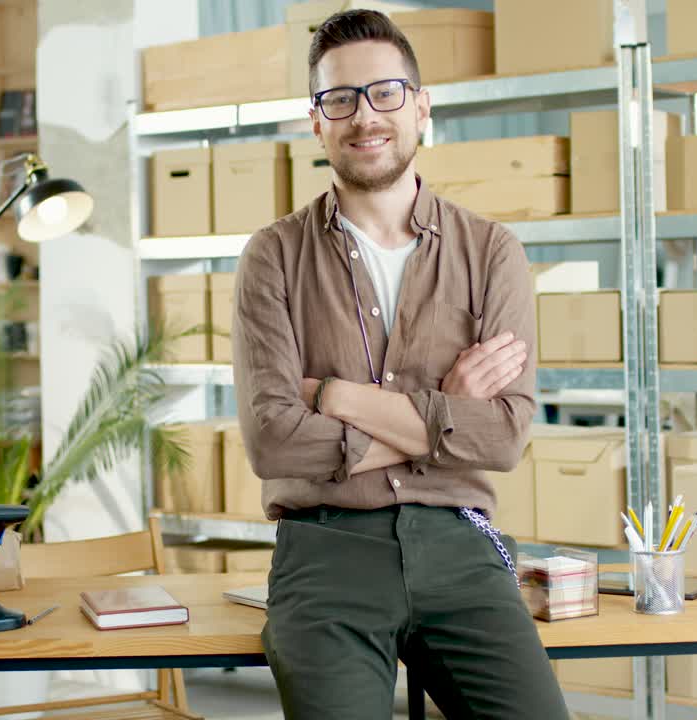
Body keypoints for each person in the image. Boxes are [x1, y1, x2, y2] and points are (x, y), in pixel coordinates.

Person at [231, 9, 570, 719]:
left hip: (460, 547)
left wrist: (333, 395)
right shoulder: (273, 256)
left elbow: (504, 437)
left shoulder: (490, 252)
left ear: (421, 106)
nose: (364, 116)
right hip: (325, 552)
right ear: (316, 120)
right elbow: (273, 444)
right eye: (340, 99)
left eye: (385, 92)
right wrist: (445, 412)